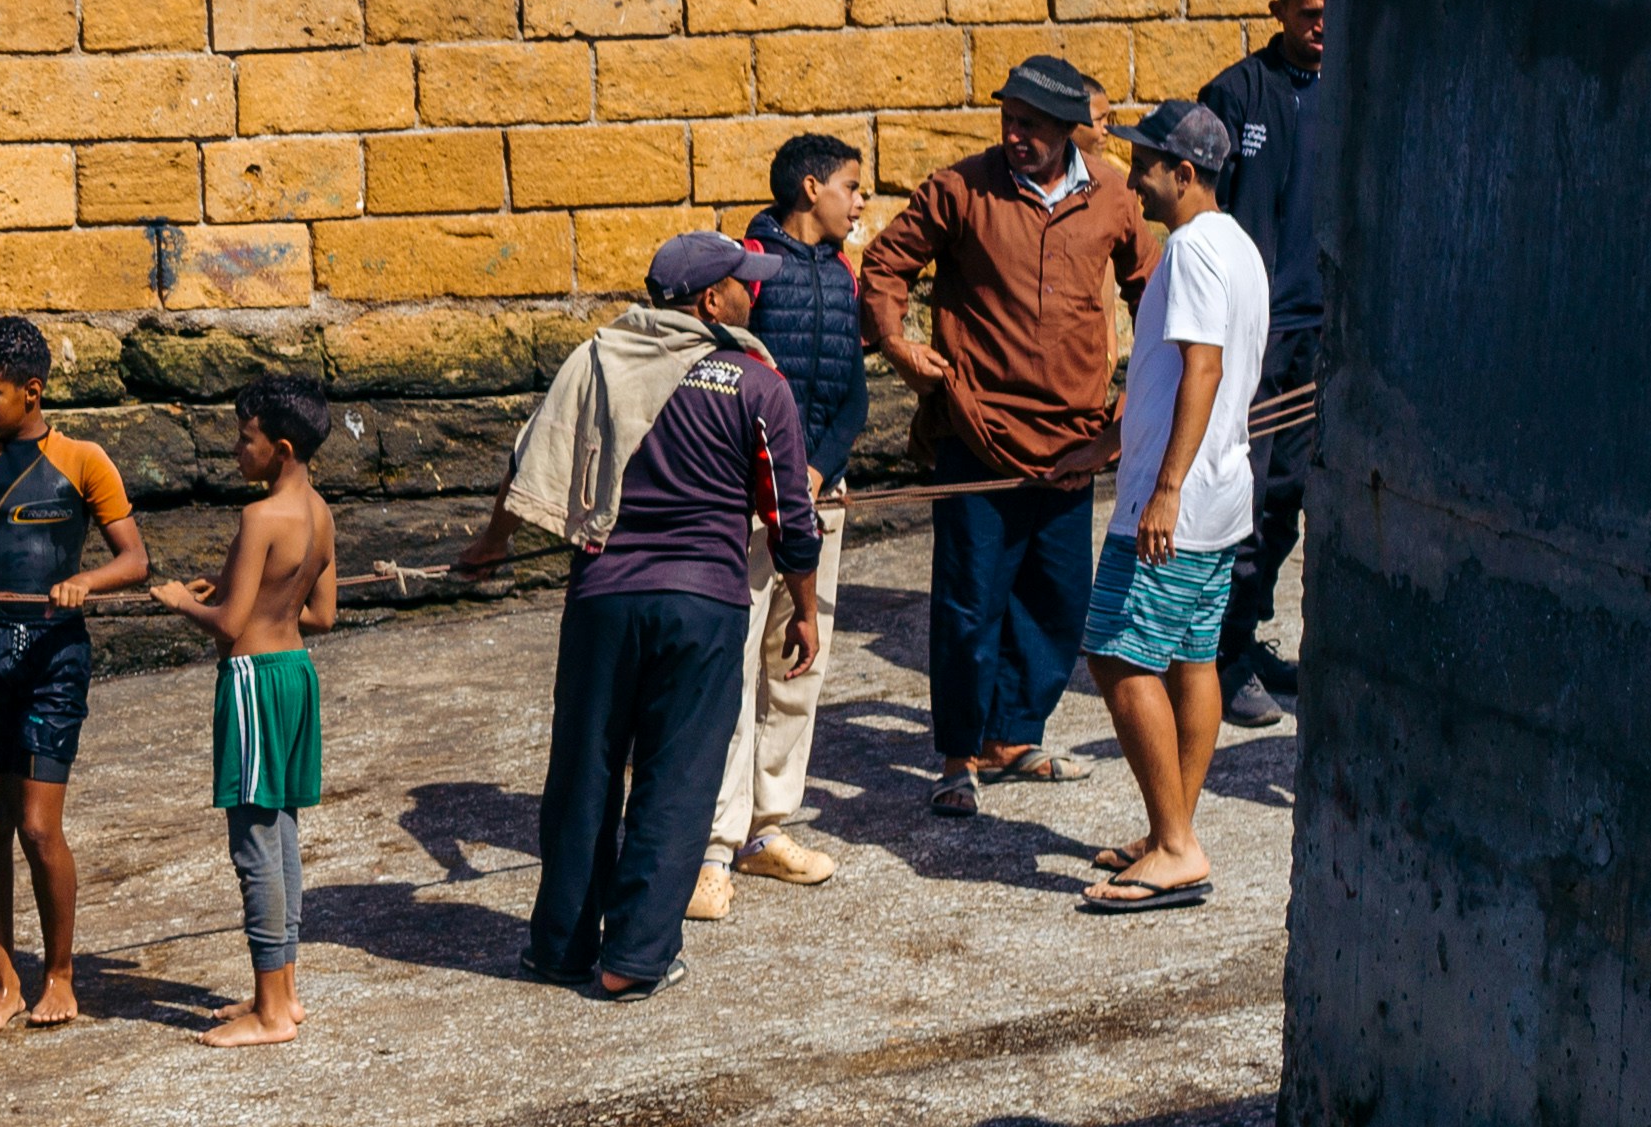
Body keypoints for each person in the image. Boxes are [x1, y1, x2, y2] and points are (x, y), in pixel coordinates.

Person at [456, 234, 825, 999]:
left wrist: (491, 546)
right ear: (708, 302)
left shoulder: (597, 361)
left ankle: (559, 947)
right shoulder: (755, 384)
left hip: (603, 601)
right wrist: (807, 609)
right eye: (740, 284)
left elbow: (530, 464)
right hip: (704, 605)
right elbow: (792, 518)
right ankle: (634, 956)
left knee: (584, 772)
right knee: (678, 779)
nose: (752, 295)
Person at [858, 53, 1148, 816]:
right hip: (977, 432)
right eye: (1008, 122)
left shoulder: (1114, 193)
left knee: (1059, 599)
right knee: (968, 602)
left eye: (1032, 126)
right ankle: (958, 754)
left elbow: (1156, 291)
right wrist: (898, 343)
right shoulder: (961, 188)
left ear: (1066, 132)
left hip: (1075, 439)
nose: (1015, 136)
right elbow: (885, 264)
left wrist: (1129, 416)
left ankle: (1013, 734)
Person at [0, 316, 149, 1029]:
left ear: (32, 391)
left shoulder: (83, 461)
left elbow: (134, 559)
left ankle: (60, 974)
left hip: (53, 655)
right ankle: (4, 982)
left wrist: (88, 582)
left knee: (39, 825)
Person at [1076, 100, 1267, 914]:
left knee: (1118, 656)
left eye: (1146, 164)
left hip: (1178, 501)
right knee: (1192, 656)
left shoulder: (1189, 249)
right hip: (1221, 490)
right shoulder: (1240, 245)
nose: (1134, 178)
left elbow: (1203, 369)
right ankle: (1172, 829)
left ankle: (1177, 845)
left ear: (1183, 173)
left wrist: (1163, 487)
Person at [704, 133, 875, 911]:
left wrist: (816, 465)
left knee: (798, 661)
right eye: (852, 185)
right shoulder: (744, 268)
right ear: (811, 189)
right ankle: (712, 839)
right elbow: (723, 377)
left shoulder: (844, 273)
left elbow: (854, 396)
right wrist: (776, 473)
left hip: (820, 497)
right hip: (746, 504)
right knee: (733, 667)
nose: (862, 200)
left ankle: (768, 825)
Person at [147, 380, 339, 1048]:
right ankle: (282, 990)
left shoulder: (261, 519)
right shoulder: (319, 512)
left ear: (280, 448)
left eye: (245, 438)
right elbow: (320, 613)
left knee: (254, 844)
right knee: (281, 831)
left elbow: (228, 624)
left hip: (253, 681)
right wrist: (244, 596)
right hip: (295, 676)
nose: (236, 448)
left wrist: (179, 600)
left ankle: (272, 1013)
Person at [1195, 0, 1329, 724]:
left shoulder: (1355, 88)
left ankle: (1249, 633)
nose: (1320, 27)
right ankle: (1225, 654)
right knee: (1241, 499)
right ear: (1278, 8)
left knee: (1291, 502)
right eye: (1308, 12)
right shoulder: (1237, 94)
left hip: (1324, 333)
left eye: (1329, 13)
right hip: (1256, 335)